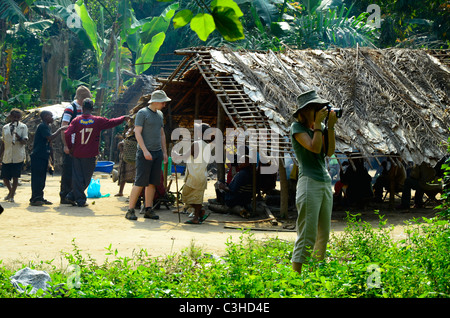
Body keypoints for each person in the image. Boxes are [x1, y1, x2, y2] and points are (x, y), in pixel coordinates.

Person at [290, 90, 337, 274]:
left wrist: (330, 127)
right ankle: (296, 277)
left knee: (323, 234)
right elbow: (314, 147)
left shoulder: (320, 128)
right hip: (309, 182)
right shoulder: (297, 128)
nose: (320, 111)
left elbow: (329, 152)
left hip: (325, 182)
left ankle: (314, 275)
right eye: (316, 108)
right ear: (305, 111)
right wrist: (318, 125)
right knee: (307, 233)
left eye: (320, 108)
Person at [64, 98, 128, 207]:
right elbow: (111, 122)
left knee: (77, 176)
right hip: (90, 154)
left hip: (77, 153)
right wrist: (123, 118)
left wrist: (70, 147)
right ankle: (79, 200)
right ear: (92, 108)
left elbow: (67, 133)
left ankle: (72, 196)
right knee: (86, 178)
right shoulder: (97, 120)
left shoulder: (76, 120)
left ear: (83, 108)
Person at [125, 90, 170, 221]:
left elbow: (162, 134)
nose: (164, 104)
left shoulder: (160, 114)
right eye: (163, 102)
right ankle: (130, 209)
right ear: (155, 101)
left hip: (157, 152)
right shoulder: (142, 113)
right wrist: (144, 150)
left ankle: (148, 209)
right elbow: (137, 133)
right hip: (144, 152)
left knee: (152, 183)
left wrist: (165, 152)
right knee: (140, 181)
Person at [60, 85, 92, 204]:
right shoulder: (70, 108)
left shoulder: (83, 109)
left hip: (79, 146)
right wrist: (66, 145)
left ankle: (72, 195)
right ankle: (64, 195)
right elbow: (64, 127)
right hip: (71, 144)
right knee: (68, 171)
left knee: (77, 172)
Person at [29, 111, 68, 206]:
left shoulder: (46, 126)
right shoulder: (42, 126)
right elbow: (50, 138)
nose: (52, 118)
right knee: (37, 178)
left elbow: (49, 143)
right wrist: (60, 129)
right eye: (50, 116)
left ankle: (39, 197)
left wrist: (51, 157)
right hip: (38, 155)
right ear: (45, 117)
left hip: (43, 155)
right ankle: (35, 198)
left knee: (41, 178)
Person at [181, 123, 212, 224]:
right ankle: (199, 213)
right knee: (195, 198)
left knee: (187, 197)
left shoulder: (197, 144)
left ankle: (196, 216)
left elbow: (187, 155)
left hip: (194, 176)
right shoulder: (207, 146)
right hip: (201, 175)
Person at [0, 109, 28, 203]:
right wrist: (1, 154)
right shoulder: (5, 128)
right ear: (10, 117)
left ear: (20, 118)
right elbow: (4, 142)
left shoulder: (23, 127)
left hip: (18, 156)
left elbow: (24, 142)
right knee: (5, 177)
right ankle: (10, 191)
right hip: (7, 155)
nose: (15, 119)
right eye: (14, 117)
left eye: (18, 117)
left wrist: (18, 136)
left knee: (15, 177)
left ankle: (12, 195)